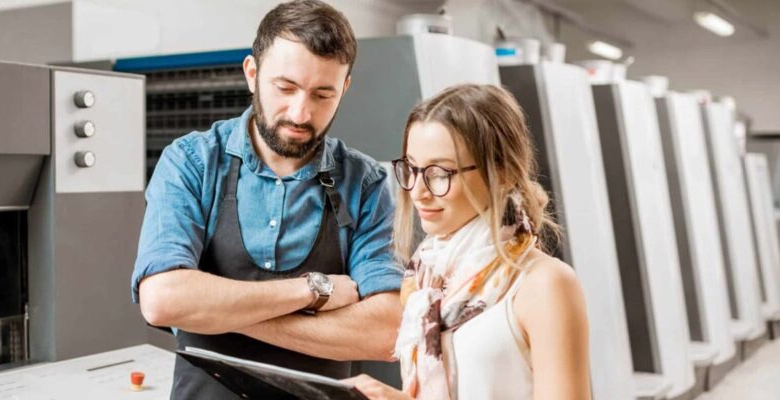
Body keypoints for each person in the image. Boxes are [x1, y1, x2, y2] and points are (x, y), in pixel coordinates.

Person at [130, 1, 404, 398]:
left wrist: (214, 314)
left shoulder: (365, 184)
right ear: (252, 73)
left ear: (344, 88)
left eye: (322, 94)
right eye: (285, 88)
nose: (300, 113)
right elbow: (162, 300)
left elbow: (386, 332)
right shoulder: (192, 162)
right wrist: (314, 290)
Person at [345, 84, 592, 400]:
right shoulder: (424, 280)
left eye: (440, 173)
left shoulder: (544, 284)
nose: (418, 191)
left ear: (502, 172)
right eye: (412, 168)